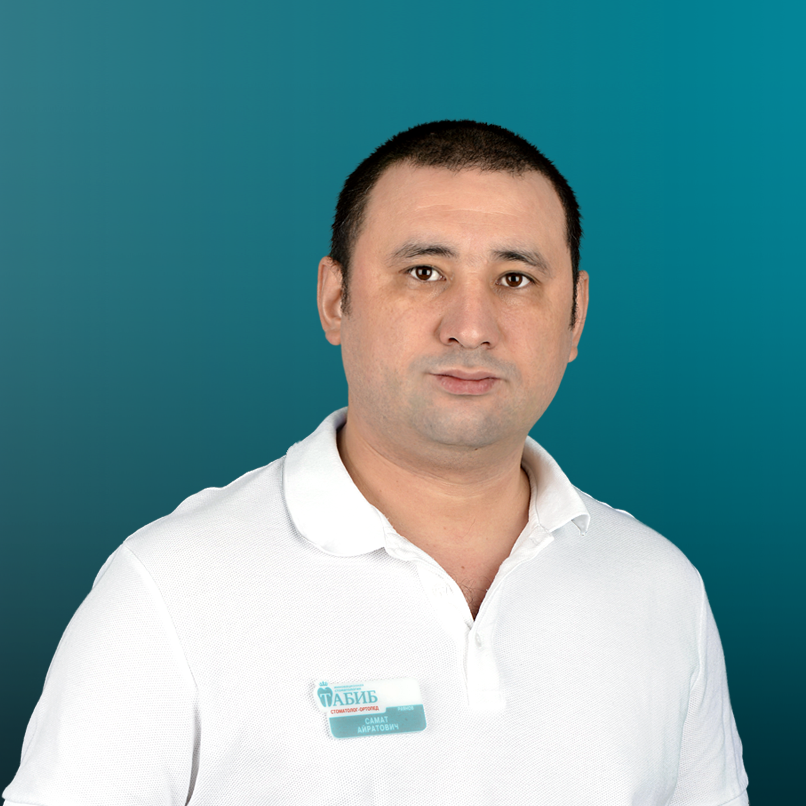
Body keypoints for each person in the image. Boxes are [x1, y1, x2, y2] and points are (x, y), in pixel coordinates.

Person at [3, 120, 749, 805]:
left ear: (576, 315)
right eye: (424, 271)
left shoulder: (661, 589)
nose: (471, 327)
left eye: (515, 279)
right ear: (336, 299)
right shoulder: (171, 588)